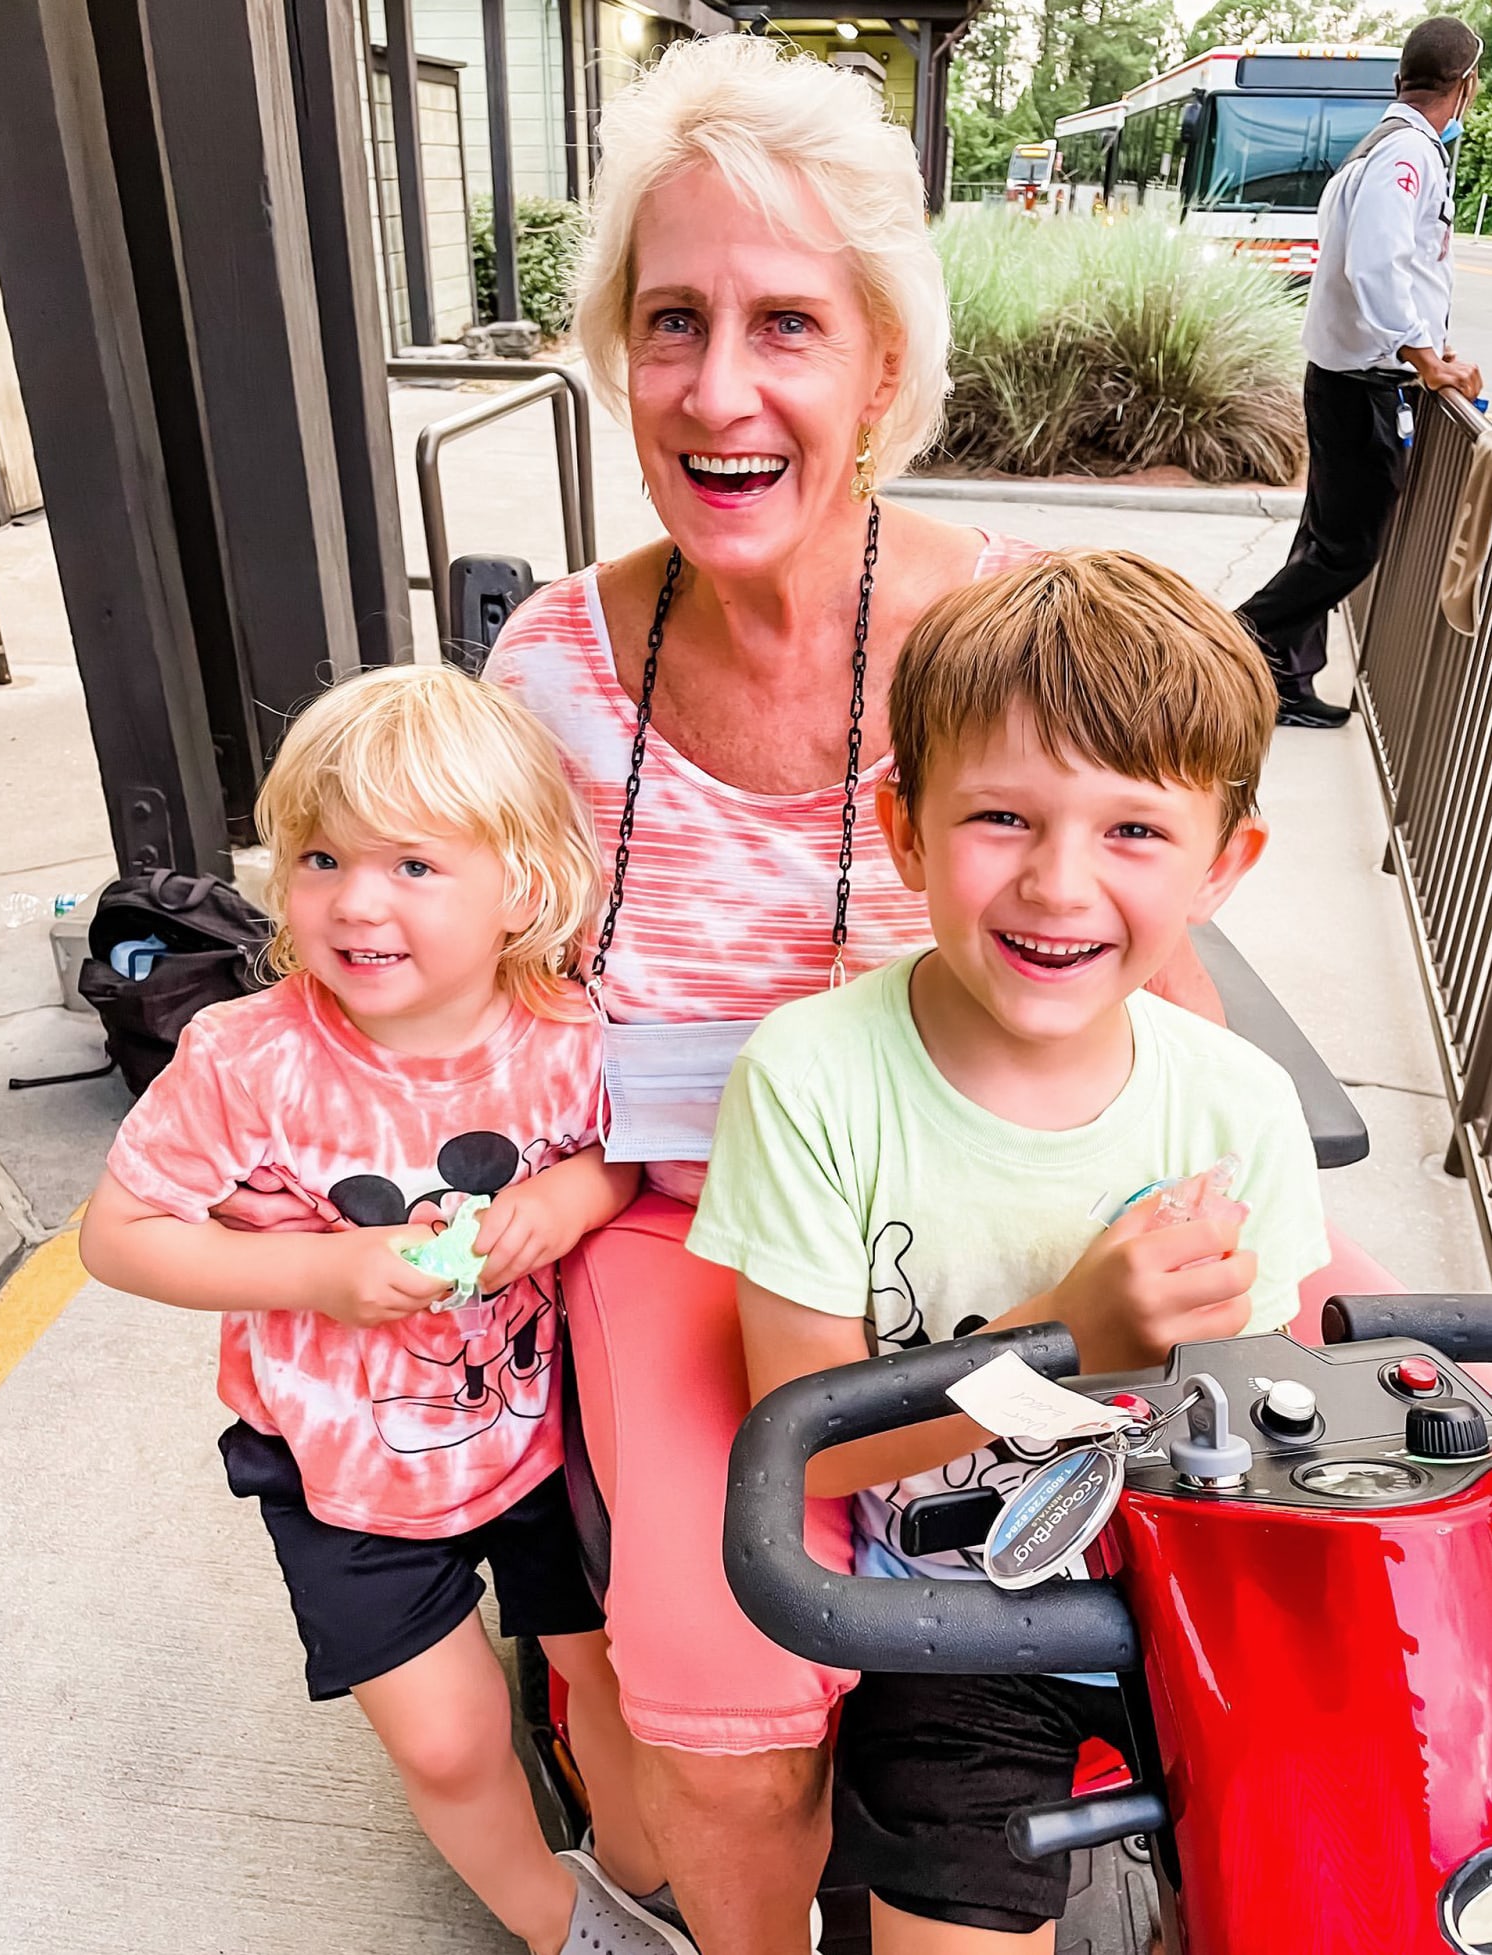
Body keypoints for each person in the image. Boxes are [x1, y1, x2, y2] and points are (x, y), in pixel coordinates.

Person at [211, 38, 1225, 1954]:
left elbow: (1160, 975)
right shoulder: (549, 671)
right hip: (677, 1234)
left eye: (787, 323)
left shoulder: (1023, 635)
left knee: (1089, 1661)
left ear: (881, 368)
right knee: (736, 1720)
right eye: (672, 321)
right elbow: (457, 1001)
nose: (722, 388)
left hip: (986, 1216)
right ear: (615, 353)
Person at [692, 550, 1331, 1954]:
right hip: (961, 1611)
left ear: (1225, 863)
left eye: (1134, 832)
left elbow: (1271, 1421)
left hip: (1199, 1591)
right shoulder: (813, 1076)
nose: (1057, 882)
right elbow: (808, 1441)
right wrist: (1066, 1331)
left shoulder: (1236, 1102)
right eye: (1002, 815)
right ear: (905, 828)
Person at [78, 666, 694, 1955]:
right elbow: (118, 1236)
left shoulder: (567, 1032)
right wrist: (320, 1273)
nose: (356, 900)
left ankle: (636, 1887)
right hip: (335, 1471)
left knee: (612, 1684)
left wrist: (576, 1195)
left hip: (533, 1442)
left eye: (414, 863)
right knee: (448, 1733)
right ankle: (558, 1923)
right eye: (320, 855)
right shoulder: (248, 1058)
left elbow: (627, 1151)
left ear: (522, 887)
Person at [1236, 15, 1484, 730]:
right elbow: (1377, 265)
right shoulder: (1408, 155)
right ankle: (1226, 646)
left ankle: (1285, 675)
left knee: (1323, 538)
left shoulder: (1380, 145)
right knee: (1348, 551)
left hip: (1345, 378)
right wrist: (1426, 358)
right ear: (1464, 87)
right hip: (1362, 385)